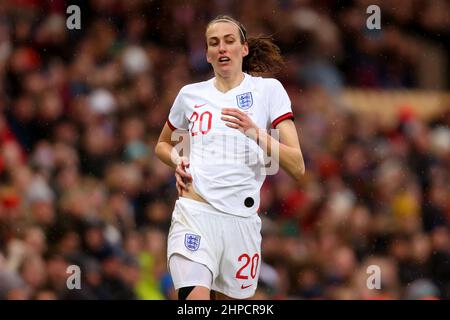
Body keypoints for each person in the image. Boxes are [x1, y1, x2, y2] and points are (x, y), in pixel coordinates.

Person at [155, 15, 305, 300]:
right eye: (214, 43)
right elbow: (162, 144)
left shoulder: (269, 91)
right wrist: (179, 161)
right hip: (195, 213)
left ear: (244, 49)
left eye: (229, 41)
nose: (222, 48)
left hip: (242, 223)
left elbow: (297, 165)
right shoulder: (190, 95)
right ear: (208, 54)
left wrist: (256, 132)